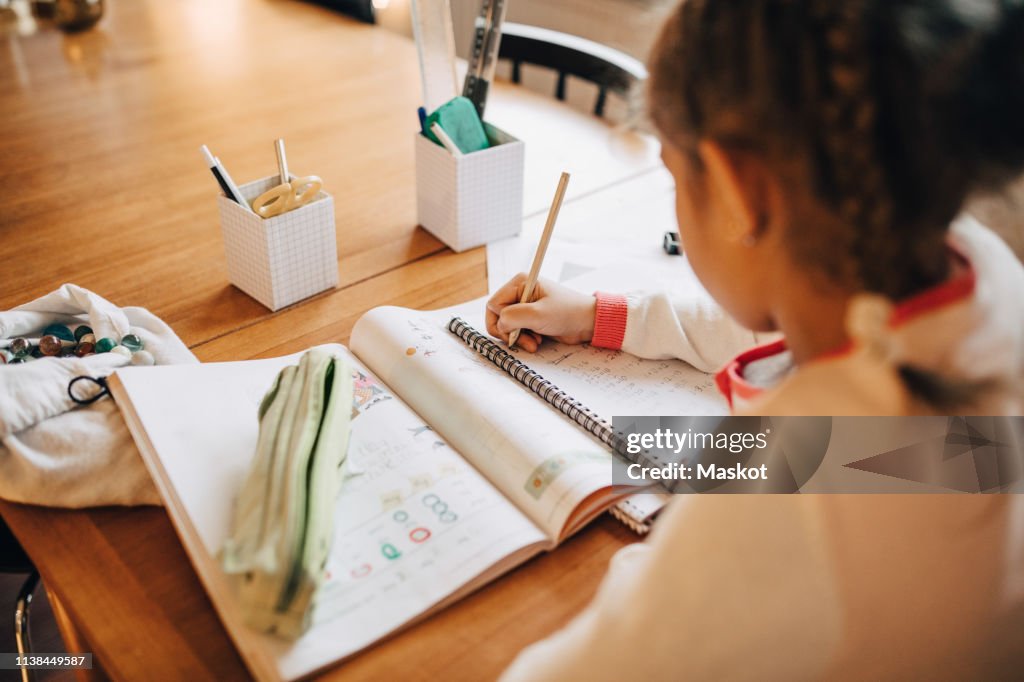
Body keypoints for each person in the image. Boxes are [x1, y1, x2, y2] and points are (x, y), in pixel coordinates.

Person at [492, 0, 1024, 678]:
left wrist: (696, 517)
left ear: (740, 189)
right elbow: (878, 449)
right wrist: (602, 314)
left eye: (675, 177)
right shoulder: (982, 275)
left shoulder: (774, 506)